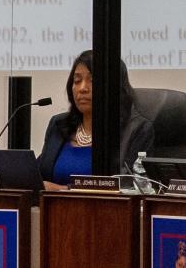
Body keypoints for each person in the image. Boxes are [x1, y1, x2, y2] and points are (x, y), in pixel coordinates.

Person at [36, 50, 154, 190]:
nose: (82, 88)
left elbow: (129, 186)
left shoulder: (136, 129)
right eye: (77, 81)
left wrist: (63, 190)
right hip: (51, 209)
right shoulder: (59, 124)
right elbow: (39, 175)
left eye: (93, 81)